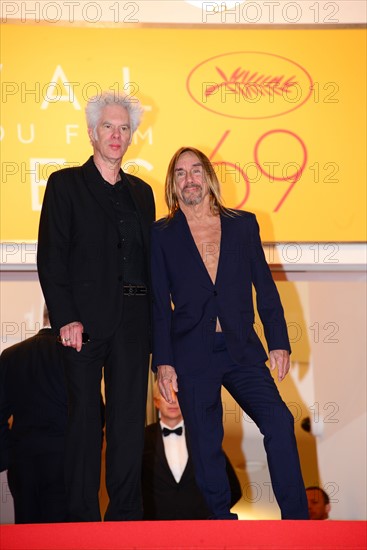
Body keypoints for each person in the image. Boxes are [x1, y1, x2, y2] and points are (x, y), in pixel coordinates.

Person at [150, 147, 309, 520]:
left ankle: (298, 520)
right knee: (206, 443)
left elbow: (265, 289)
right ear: (173, 185)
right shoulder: (161, 234)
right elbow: (158, 304)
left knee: (279, 422)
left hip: (241, 349)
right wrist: (164, 362)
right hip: (191, 353)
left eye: (195, 171)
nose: (189, 179)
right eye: (180, 174)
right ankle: (222, 522)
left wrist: (279, 342)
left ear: (208, 176)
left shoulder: (243, 224)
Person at [37, 92, 155, 522]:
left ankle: (125, 519)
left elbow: (149, 265)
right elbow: (51, 257)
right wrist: (65, 317)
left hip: (134, 324)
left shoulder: (142, 193)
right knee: (85, 422)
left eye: (124, 128)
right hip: (82, 325)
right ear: (91, 133)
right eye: (108, 126)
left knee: (127, 426)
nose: (116, 135)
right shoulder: (65, 185)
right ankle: (81, 520)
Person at [0, 305, 68, 523]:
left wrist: (8, 458)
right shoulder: (78, 357)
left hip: (22, 464)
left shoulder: (11, 355)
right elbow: (95, 412)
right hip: (64, 462)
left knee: (26, 534)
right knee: (62, 539)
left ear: (43, 317)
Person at [142, 381, 242, 519]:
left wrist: (207, 514)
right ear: (156, 402)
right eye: (166, 394)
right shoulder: (142, 438)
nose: (173, 400)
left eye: (177, 394)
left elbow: (233, 488)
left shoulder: (204, 437)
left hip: (199, 533)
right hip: (154, 532)